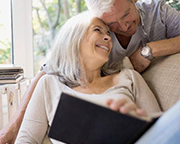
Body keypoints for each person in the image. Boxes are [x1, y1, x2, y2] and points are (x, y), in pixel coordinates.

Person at [14, 11, 162, 143]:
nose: (107, 38)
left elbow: (162, 130)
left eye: (108, 34)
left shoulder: (129, 78)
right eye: (98, 30)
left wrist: (135, 124)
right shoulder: (49, 83)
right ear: (73, 39)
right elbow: (26, 139)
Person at [85, 0, 180, 73]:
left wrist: (150, 50)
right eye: (112, 23)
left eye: (126, 14)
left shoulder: (159, 11)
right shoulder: (95, 36)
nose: (123, 27)